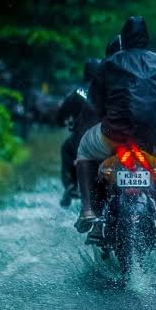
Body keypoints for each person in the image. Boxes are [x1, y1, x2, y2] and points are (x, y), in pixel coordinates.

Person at [74, 16, 156, 237]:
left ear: (124, 39)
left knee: (84, 152)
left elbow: (93, 105)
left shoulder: (109, 63)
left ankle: (87, 210)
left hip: (113, 134)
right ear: (146, 38)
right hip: (153, 136)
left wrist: (89, 126)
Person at [56, 36, 121, 207]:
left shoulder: (79, 92)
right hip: (120, 136)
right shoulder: (117, 85)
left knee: (67, 148)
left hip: (93, 139)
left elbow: (62, 115)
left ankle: (71, 186)